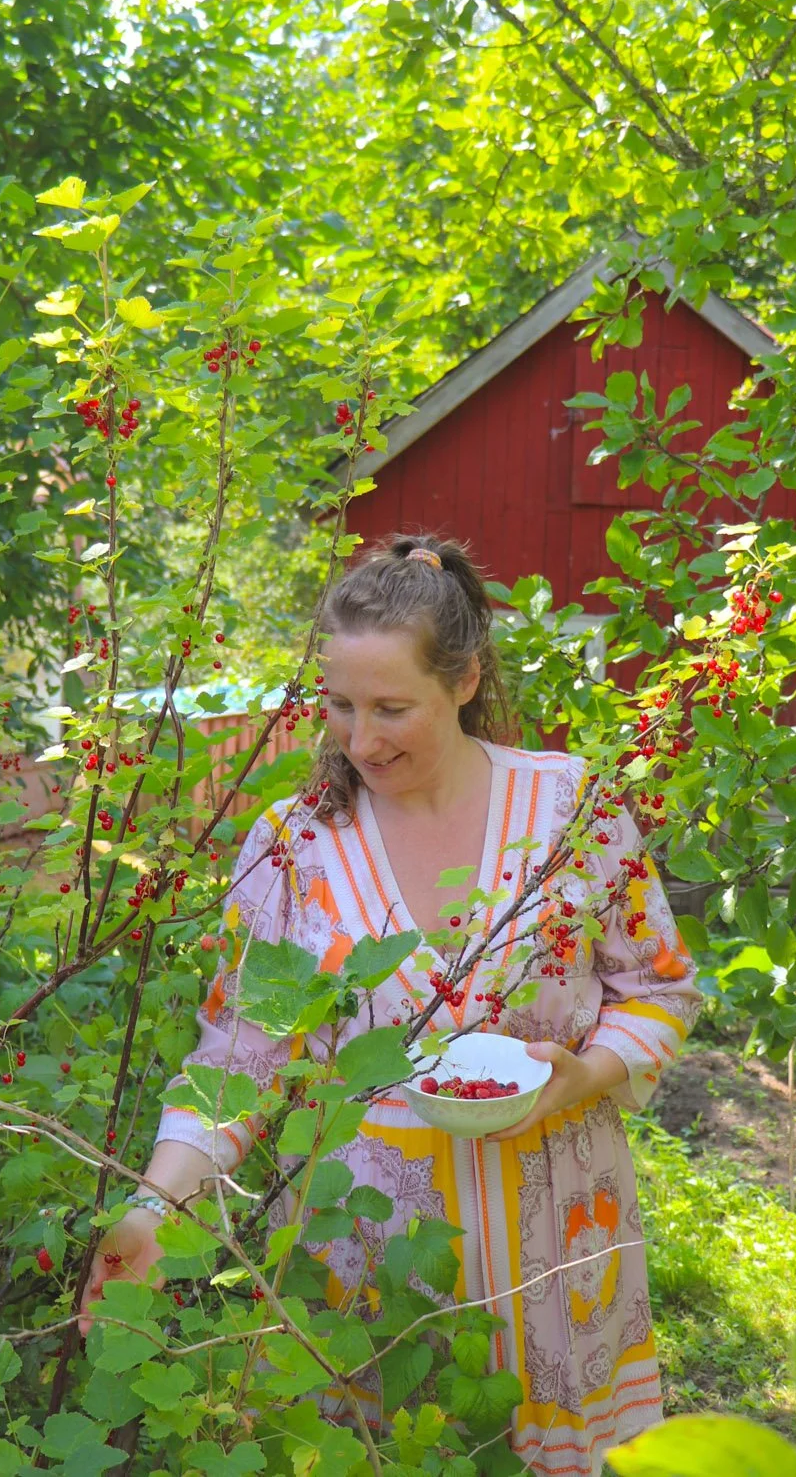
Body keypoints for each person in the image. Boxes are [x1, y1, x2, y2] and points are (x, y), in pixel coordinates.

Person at [79, 534, 701, 1476]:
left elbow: (658, 986)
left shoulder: (571, 809)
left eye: (391, 708)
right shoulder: (296, 849)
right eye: (340, 706)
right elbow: (238, 1058)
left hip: (562, 1245)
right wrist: (153, 1209)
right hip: (366, 1260)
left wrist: (588, 1075)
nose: (361, 741)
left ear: (464, 680)